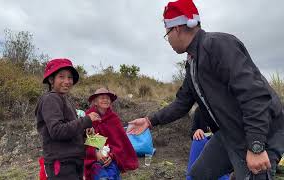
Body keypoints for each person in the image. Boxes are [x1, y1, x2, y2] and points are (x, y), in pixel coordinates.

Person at [127, 0, 284, 179]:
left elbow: (254, 94)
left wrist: (256, 145)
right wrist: (149, 121)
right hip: (229, 132)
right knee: (197, 176)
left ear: (176, 29)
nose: (168, 40)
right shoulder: (193, 61)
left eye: (167, 34)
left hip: (261, 131)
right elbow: (182, 103)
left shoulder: (218, 45)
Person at [35, 58, 101, 180]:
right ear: (51, 80)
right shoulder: (51, 99)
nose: (67, 81)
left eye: (70, 77)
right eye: (61, 77)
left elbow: (68, 130)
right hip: (61, 163)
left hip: (72, 160)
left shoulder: (64, 100)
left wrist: (85, 133)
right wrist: (86, 120)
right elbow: (57, 131)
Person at [84, 88, 139, 180]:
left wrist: (112, 155)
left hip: (111, 158)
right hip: (92, 158)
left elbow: (120, 143)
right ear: (95, 102)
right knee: (100, 175)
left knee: (112, 172)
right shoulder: (87, 117)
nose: (105, 100)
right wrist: (95, 153)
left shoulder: (114, 119)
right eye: (102, 98)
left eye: (107, 98)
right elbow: (82, 141)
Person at [187, 107, 229, 180]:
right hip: (204, 143)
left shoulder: (223, 108)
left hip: (222, 145)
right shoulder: (199, 110)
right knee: (198, 141)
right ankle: (191, 177)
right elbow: (192, 131)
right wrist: (196, 131)